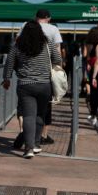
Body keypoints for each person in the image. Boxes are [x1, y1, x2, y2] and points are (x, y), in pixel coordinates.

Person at [2, 21, 62, 159]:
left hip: (25, 85)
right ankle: (35, 144)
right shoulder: (47, 44)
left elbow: (9, 62)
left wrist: (7, 79)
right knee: (40, 115)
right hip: (44, 85)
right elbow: (58, 58)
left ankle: (28, 148)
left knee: (28, 116)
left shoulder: (18, 45)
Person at [35, 9, 63, 145]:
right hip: (47, 71)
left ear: (36, 18)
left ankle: (26, 132)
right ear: (48, 18)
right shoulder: (53, 29)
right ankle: (43, 135)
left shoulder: (26, 26)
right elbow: (57, 50)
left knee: (26, 105)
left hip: (27, 71)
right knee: (46, 104)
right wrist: (59, 67)